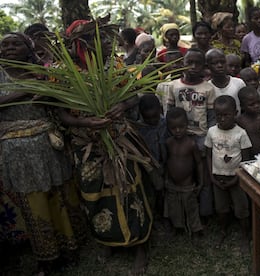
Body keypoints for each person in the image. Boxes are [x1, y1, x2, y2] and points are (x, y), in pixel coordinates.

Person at [59, 19, 156, 274]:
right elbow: (61, 114)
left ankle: (139, 245)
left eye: (103, 38)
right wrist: (85, 121)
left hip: (118, 138)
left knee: (129, 188)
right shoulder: (65, 71)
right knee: (94, 191)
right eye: (95, 39)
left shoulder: (115, 64)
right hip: (86, 143)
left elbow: (135, 94)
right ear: (80, 43)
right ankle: (108, 239)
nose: (102, 44)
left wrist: (122, 105)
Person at [0, 32, 80, 275]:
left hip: (48, 144)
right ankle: (46, 257)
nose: (10, 48)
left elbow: (60, 104)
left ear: (29, 48)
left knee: (58, 194)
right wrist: (29, 89)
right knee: (32, 201)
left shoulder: (44, 73)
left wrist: (49, 88)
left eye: (16, 44)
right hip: (16, 150)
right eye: (5, 44)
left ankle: (70, 248)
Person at [166, 48, 216, 219]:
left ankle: (205, 213)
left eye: (198, 63)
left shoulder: (208, 88)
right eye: (190, 62)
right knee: (184, 175)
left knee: (203, 175)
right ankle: (183, 213)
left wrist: (208, 140)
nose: (193, 66)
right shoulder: (174, 86)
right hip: (180, 138)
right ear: (182, 64)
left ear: (204, 66)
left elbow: (211, 118)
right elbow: (170, 112)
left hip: (201, 137)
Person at [205, 95, 251, 252]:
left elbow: (246, 161)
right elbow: (208, 154)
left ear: (235, 113)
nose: (222, 119)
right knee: (221, 208)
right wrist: (212, 176)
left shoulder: (241, 134)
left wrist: (237, 178)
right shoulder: (211, 131)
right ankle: (223, 230)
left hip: (237, 179)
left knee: (241, 209)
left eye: (226, 115)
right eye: (218, 115)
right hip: (218, 178)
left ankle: (245, 235)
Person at [165, 107, 204, 236]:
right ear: (168, 128)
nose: (177, 131)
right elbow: (167, 161)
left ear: (187, 125)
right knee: (174, 207)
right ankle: (178, 226)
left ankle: (196, 228)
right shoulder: (169, 143)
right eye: (173, 128)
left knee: (191, 207)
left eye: (181, 127)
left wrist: (200, 181)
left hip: (188, 184)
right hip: (172, 184)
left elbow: (198, 163)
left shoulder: (191, 144)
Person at [206, 48, 245, 113]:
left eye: (222, 62)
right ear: (208, 66)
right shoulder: (207, 88)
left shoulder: (239, 83)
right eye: (215, 63)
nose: (220, 65)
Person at [237, 86, 260, 157]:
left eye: (258, 102)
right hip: (246, 157)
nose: (256, 106)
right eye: (251, 104)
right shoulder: (240, 121)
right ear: (242, 106)